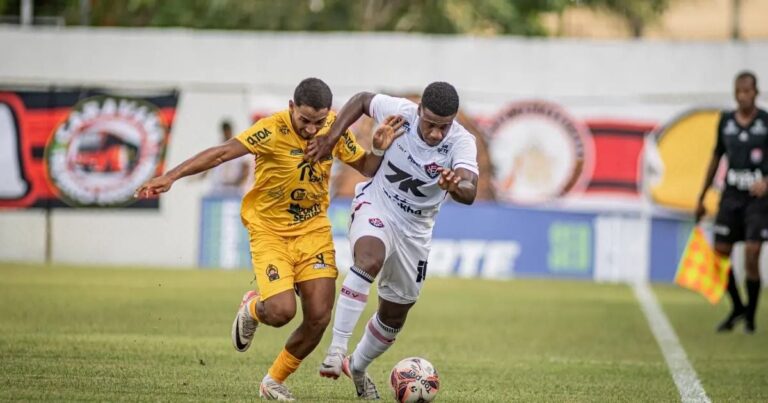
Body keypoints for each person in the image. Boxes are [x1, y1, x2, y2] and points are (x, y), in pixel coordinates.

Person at [134, 78, 405, 400]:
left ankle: (274, 380)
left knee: (318, 316)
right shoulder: (270, 130)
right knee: (280, 312)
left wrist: (378, 148)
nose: (310, 128)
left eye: (318, 121)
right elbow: (222, 153)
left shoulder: (333, 130)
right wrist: (170, 176)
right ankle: (253, 309)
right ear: (291, 108)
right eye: (304, 120)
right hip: (270, 231)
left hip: (313, 231)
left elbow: (366, 167)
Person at [306, 82, 479, 398]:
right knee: (368, 260)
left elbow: (470, 189)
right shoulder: (399, 113)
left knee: (394, 314)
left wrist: (457, 186)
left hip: (415, 231)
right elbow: (360, 100)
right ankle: (336, 350)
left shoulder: (461, 142)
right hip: (377, 205)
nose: (437, 133)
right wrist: (330, 139)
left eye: (445, 126)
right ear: (419, 111)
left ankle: (355, 365)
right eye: (431, 124)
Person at [695, 71, 767, 335]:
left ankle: (750, 319)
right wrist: (702, 196)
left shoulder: (765, 122)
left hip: (757, 201)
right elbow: (716, 158)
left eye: (747, 91)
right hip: (731, 197)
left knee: (751, 252)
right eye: (738, 91)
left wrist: (766, 181)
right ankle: (738, 307)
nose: (742, 96)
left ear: (755, 93)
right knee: (720, 255)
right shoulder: (726, 121)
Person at [204, 120, 250, 196]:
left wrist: (241, 183)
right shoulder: (218, 146)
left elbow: (245, 167)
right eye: (224, 132)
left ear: (230, 131)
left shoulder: (239, 146)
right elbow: (210, 164)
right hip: (219, 187)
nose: (226, 134)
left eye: (227, 131)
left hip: (235, 187)